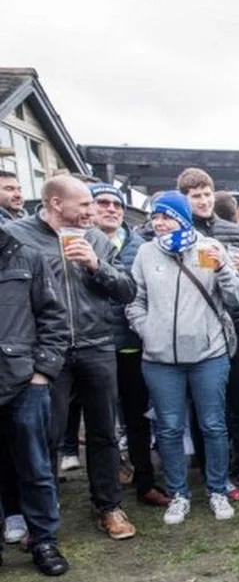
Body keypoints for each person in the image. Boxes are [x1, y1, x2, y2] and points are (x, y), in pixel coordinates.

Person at [4, 176, 138, 541]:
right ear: (54, 203)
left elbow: (127, 290)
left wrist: (97, 265)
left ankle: (108, 506)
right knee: (44, 437)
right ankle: (42, 519)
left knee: (103, 433)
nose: (92, 212)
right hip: (48, 351)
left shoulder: (95, 237)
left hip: (96, 344)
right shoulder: (17, 235)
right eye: (83, 205)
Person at [125, 192, 239, 525]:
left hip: (209, 355)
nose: (160, 223)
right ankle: (179, 493)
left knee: (213, 424)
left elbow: (236, 297)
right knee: (168, 428)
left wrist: (222, 267)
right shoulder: (147, 253)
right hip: (160, 359)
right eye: (156, 218)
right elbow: (135, 300)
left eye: (166, 216)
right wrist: (147, 329)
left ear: (182, 218)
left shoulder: (209, 248)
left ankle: (218, 489)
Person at [177, 168, 239, 495]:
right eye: (194, 196)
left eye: (206, 194)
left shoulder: (232, 230)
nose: (202, 201)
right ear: (185, 199)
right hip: (201, 329)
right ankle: (213, 473)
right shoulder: (180, 233)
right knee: (207, 408)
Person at [89, 183, 170, 508]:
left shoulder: (141, 245)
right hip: (92, 345)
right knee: (101, 425)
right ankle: (104, 495)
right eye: (103, 203)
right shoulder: (76, 243)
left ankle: (145, 482)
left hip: (132, 344)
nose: (111, 209)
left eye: (117, 204)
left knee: (138, 419)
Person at [0, 223, 70, 575]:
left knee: (36, 466)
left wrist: (43, 372)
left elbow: (54, 318)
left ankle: (44, 541)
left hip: (25, 379)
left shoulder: (28, 258)